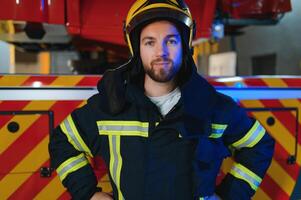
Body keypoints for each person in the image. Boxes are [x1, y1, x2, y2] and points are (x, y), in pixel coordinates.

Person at [49, 0, 275, 199]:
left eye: (171, 41)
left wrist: (230, 196)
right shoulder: (110, 106)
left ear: (184, 45)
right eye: (150, 42)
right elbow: (63, 141)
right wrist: (88, 194)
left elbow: (259, 145)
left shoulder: (214, 106)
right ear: (136, 47)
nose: (161, 52)